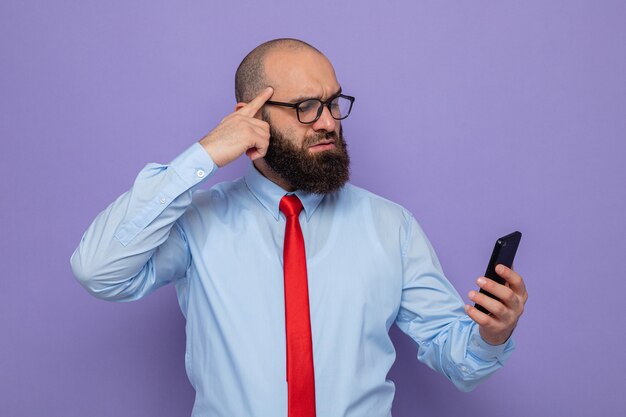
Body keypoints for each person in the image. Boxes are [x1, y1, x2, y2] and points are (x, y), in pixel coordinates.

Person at [71, 38, 528, 417]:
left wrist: (492, 333)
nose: (328, 122)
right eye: (307, 106)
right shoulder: (197, 221)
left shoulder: (392, 226)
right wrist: (204, 155)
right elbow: (99, 270)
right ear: (251, 115)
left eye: (332, 102)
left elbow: (462, 361)